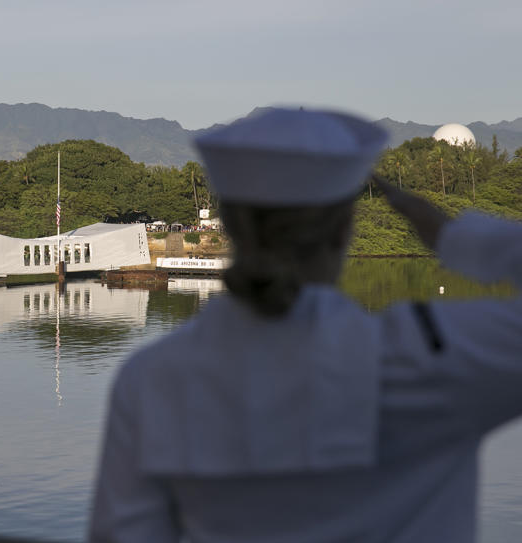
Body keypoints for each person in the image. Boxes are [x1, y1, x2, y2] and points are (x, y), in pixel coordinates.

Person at [89, 108, 522, 542]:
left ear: (234, 226)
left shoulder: (153, 380)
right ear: (344, 230)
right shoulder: (436, 358)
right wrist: (453, 237)